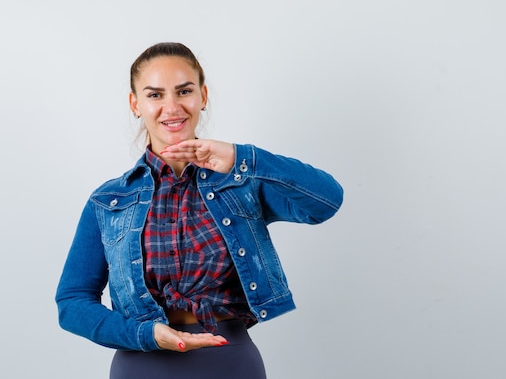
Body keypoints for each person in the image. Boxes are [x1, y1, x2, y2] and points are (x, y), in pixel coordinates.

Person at [55, 42, 344, 379]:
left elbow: (327, 201)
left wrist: (242, 158)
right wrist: (144, 334)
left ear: (203, 96)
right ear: (136, 104)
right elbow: (72, 302)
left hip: (230, 361)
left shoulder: (239, 181)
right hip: (142, 364)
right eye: (155, 95)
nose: (172, 107)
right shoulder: (108, 201)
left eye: (184, 91)